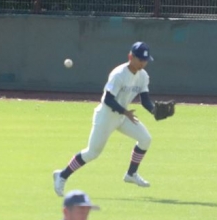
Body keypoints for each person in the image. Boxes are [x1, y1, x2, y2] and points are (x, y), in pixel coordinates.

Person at [53, 41, 157, 197]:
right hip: (106, 116)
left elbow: (145, 101)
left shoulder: (143, 76)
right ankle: (62, 175)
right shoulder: (119, 74)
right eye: (141, 59)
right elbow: (108, 99)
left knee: (145, 139)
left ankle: (131, 174)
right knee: (92, 153)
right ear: (131, 57)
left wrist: (155, 111)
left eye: (146, 60)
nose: (143, 63)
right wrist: (125, 112)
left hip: (123, 116)